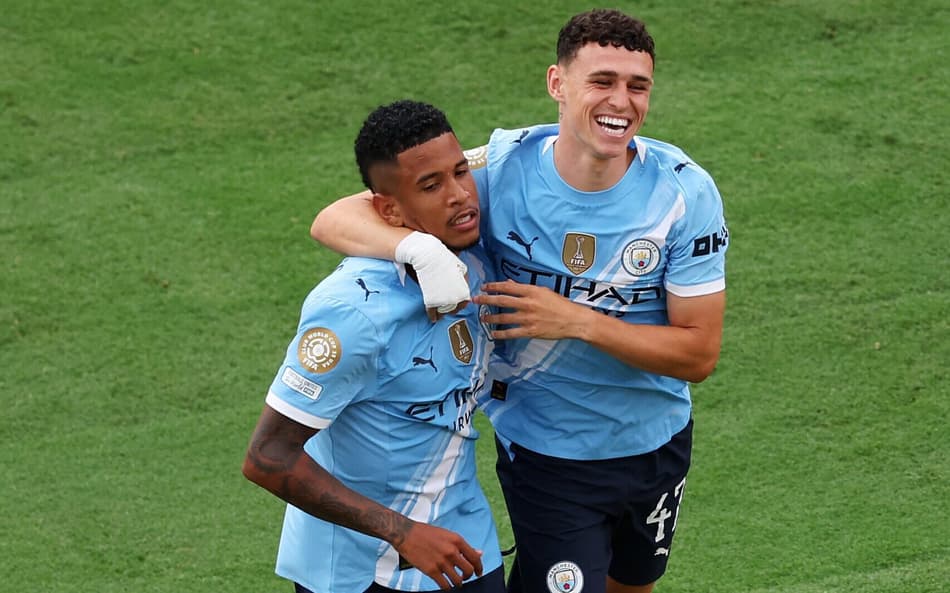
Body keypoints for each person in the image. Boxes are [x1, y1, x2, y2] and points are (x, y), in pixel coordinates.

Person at [309, 9, 729, 593]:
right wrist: (421, 253)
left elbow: (698, 355)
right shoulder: (503, 167)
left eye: (638, 86)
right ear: (557, 84)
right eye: (601, 81)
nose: (622, 101)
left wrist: (577, 321)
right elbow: (338, 216)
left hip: (657, 442)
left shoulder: (683, 194)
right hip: (545, 453)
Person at [242, 99, 505, 593]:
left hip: (464, 546)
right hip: (361, 571)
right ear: (387, 209)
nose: (460, 196)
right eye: (431, 186)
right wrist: (403, 533)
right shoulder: (352, 313)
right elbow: (267, 456)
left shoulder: (469, 245)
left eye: (459, 173)